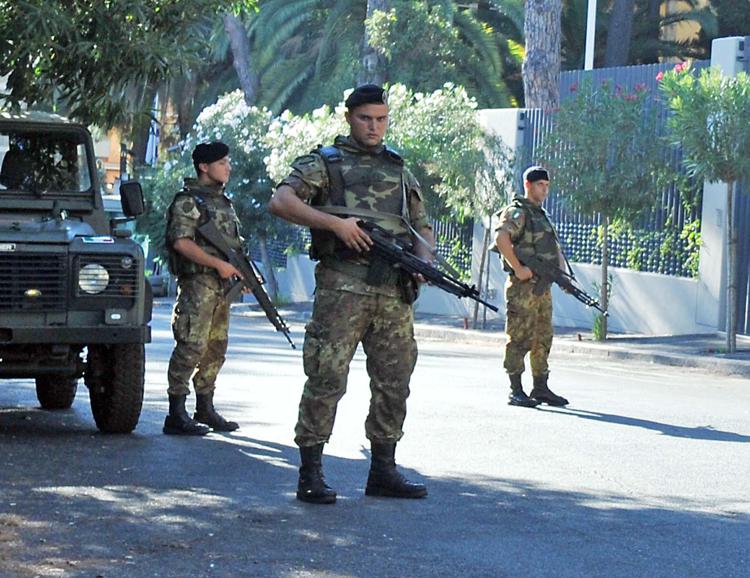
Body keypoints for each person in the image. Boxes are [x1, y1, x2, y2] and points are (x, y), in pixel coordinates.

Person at [268, 84, 434, 504]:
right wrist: (335, 225)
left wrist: (422, 263)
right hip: (343, 286)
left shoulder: (398, 168)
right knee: (326, 377)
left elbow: (421, 224)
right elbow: (281, 201)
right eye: (365, 118)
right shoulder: (325, 163)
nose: (374, 127)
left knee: (395, 380)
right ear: (349, 118)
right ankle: (311, 472)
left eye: (381, 119)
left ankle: (383, 470)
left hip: (393, 289)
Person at [163, 141, 244, 436]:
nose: (228, 167)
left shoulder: (223, 202)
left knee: (215, 348)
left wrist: (239, 274)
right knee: (191, 345)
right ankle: (176, 412)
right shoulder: (188, 202)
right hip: (198, 284)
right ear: (204, 167)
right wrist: (216, 265)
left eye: (228, 162)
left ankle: (205, 407)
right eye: (223, 163)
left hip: (222, 287)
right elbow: (181, 242)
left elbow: (233, 247)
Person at [494, 166, 570, 408]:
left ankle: (540, 387)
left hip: (542, 287)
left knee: (542, 337)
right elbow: (501, 238)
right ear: (528, 185)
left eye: (547, 186)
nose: (545, 190)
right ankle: (516, 390)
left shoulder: (541, 214)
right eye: (540, 185)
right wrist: (517, 268)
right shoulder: (518, 212)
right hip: (523, 289)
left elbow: (554, 248)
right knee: (519, 337)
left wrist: (562, 275)